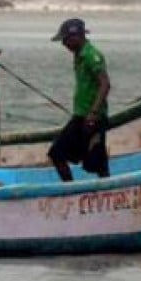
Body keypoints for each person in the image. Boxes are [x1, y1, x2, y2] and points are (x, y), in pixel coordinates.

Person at [47, 18, 111, 181]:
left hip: (91, 117)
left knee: (96, 161)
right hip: (81, 114)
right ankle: (72, 189)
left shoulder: (91, 55)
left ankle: (98, 191)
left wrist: (93, 112)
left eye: (66, 40)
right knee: (59, 154)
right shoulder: (79, 55)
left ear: (76, 37)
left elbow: (105, 84)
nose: (64, 44)